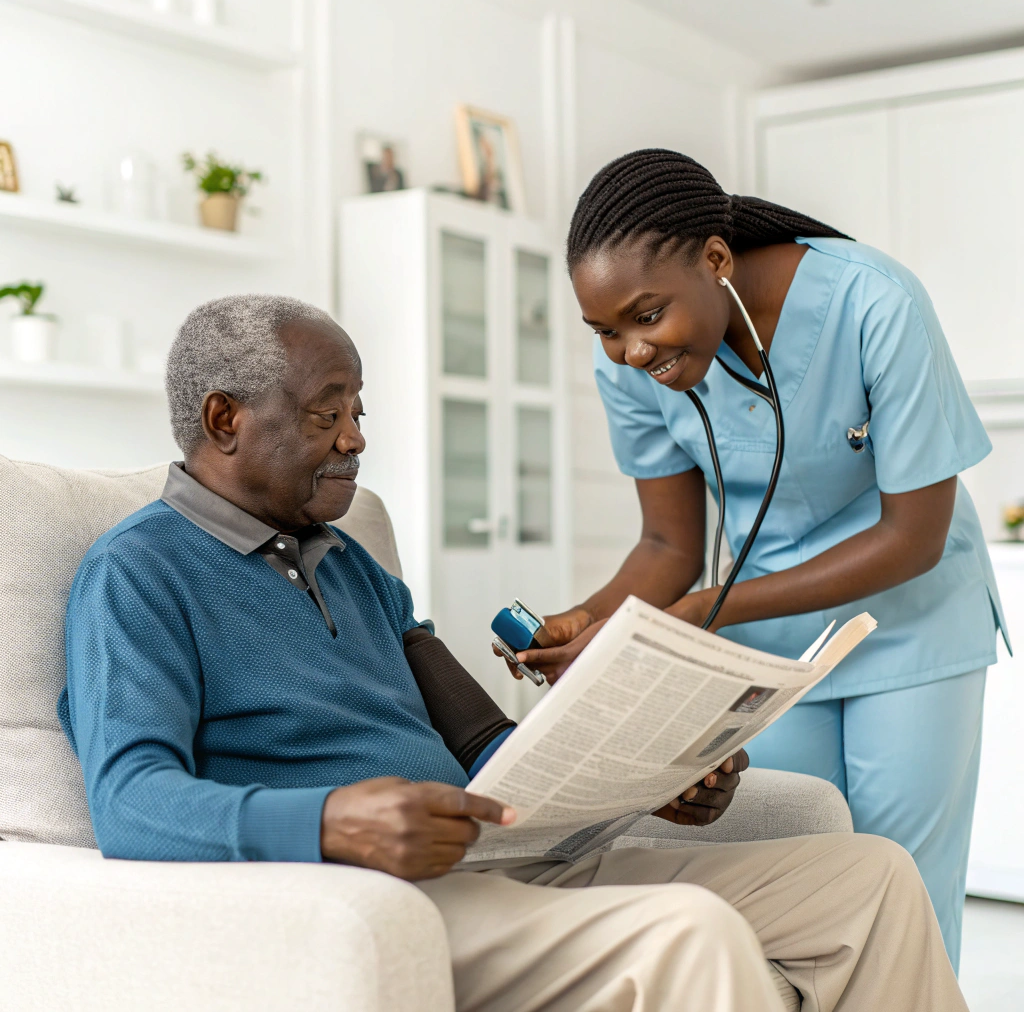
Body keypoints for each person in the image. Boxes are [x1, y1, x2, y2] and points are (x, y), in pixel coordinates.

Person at [59, 295, 968, 1011]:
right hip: (375, 895)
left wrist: (660, 772)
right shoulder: (137, 574)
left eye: (359, 410)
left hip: (512, 856)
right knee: (685, 931)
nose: (357, 439)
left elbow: (488, 743)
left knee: (870, 877)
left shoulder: (355, 568)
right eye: (327, 413)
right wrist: (332, 821)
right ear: (224, 419)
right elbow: (132, 804)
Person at [503, 149, 1005, 972]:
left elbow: (912, 534)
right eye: (605, 331)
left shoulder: (873, 302)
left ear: (715, 259)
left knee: (903, 888)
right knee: (797, 870)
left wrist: (707, 611)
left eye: (646, 316)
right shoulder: (631, 366)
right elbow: (667, 545)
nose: (630, 351)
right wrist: (590, 625)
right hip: (770, 646)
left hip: (911, 620)